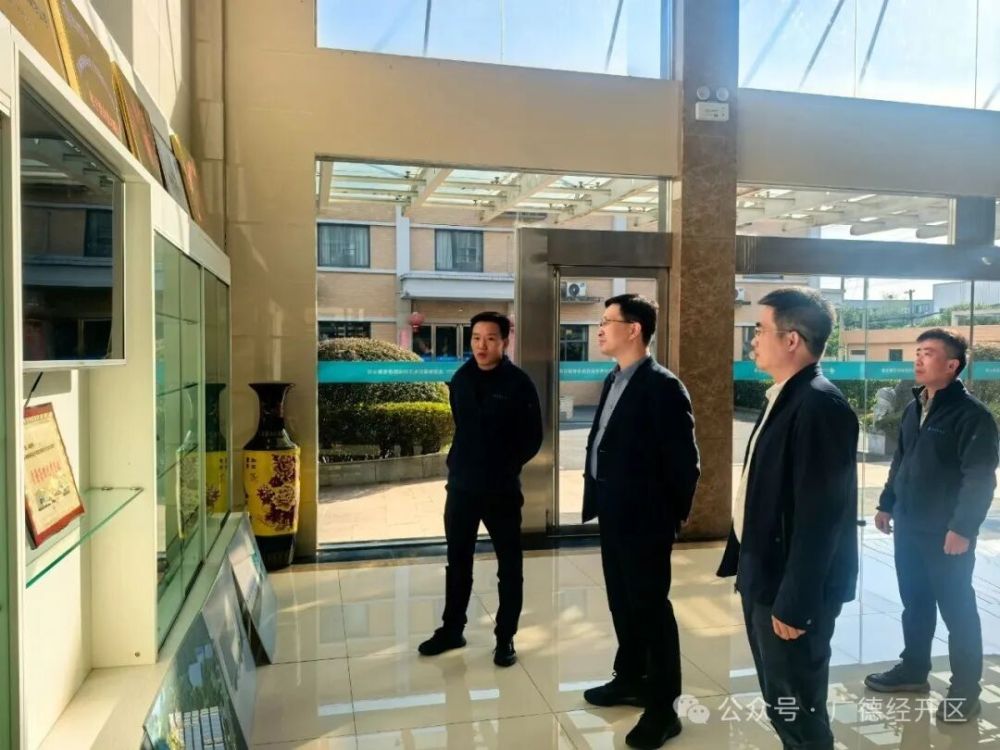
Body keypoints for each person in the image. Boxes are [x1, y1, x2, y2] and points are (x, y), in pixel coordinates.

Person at [717, 287, 858, 750]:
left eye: (760, 330)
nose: (753, 340)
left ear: (792, 339)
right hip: (765, 573)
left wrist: (796, 601)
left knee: (796, 703)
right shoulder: (786, 395)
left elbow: (822, 518)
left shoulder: (819, 404)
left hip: (790, 589)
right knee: (782, 699)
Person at [581, 294, 700, 749]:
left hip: (646, 519)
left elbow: (685, 463)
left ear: (634, 329)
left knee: (650, 610)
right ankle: (630, 678)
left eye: (607, 321)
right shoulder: (614, 378)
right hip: (613, 511)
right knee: (622, 603)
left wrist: (667, 518)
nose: (599, 328)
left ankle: (664, 708)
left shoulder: (663, 386)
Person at [865, 329, 998, 723]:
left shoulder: (972, 416)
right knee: (916, 603)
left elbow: (980, 478)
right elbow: (901, 460)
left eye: (928, 353)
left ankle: (965, 693)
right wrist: (887, 503)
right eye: (917, 352)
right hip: (909, 527)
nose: (918, 359)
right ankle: (913, 669)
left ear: (952, 365)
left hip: (947, 535)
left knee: (958, 613)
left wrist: (963, 528)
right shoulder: (915, 407)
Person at [418, 311, 542, 667]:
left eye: (490, 338)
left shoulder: (519, 384)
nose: (481, 346)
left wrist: (505, 465)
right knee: (458, 561)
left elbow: (533, 437)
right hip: (461, 487)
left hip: (501, 489)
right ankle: (451, 629)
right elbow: (463, 426)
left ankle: (505, 637)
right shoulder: (461, 379)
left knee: (509, 565)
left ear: (505, 341)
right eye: (476, 338)